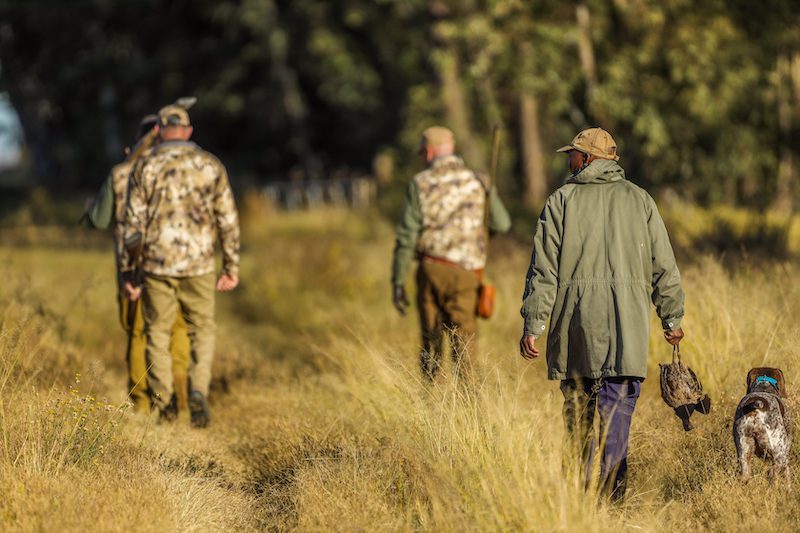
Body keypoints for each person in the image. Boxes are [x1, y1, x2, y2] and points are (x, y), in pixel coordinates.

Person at [518, 127, 685, 501]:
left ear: (589, 159)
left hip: (575, 331)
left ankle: (578, 500)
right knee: (617, 419)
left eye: (573, 155)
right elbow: (665, 267)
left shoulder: (560, 202)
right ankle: (613, 501)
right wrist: (671, 318)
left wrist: (534, 324)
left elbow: (542, 271)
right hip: (627, 335)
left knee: (578, 416)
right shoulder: (641, 201)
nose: (569, 161)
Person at [120, 102, 240, 428]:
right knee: (202, 328)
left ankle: (164, 399)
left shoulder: (144, 167)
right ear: (188, 131)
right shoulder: (210, 165)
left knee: (156, 330)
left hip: (157, 264)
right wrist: (231, 266)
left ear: (159, 131)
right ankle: (198, 389)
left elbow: (132, 227)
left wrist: (132, 269)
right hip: (199, 263)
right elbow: (227, 220)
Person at [83, 115, 191, 414]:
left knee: (139, 334)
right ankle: (178, 397)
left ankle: (143, 404)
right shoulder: (179, 170)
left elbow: (99, 220)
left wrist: (91, 208)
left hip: (132, 270)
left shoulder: (120, 174)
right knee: (177, 330)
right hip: (177, 266)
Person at [392, 126, 511, 381]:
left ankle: (431, 401)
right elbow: (502, 224)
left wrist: (398, 281)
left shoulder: (420, 183)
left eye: (423, 153)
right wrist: (475, 236)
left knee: (431, 341)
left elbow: (406, 236)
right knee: (465, 342)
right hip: (466, 274)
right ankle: (468, 407)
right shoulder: (480, 180)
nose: (423, 158)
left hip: (431, 269)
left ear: (430, 151)